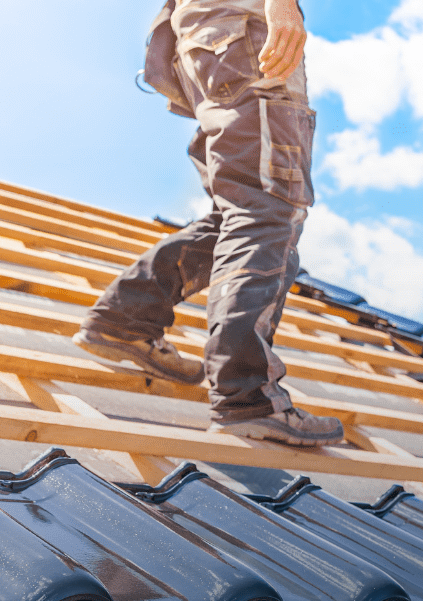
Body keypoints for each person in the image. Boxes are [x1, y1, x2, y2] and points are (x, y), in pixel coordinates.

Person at [73, 0, 345, 447]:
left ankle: (126, 318)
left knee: (237, 212)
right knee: (267, 209)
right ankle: (248, 398)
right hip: (239, 36)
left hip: (204, 46)